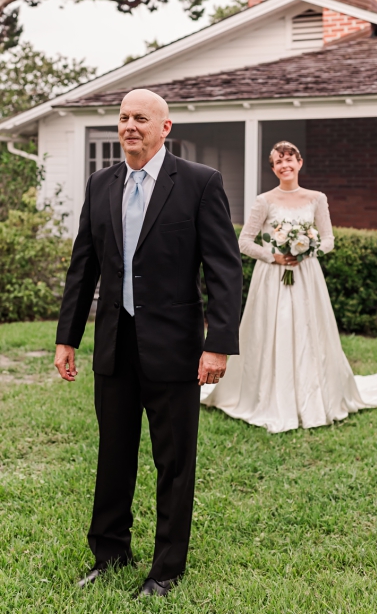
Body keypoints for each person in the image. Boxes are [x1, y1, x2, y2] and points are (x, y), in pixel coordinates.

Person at [54, 89, 243, 598]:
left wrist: (218, 343)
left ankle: (166, 570)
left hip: (176, 347)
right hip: (114, 344)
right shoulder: (100, 184)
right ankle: (110, 553)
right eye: (123, 118)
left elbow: (225, 270)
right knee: (113, 455)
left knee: (174, 462)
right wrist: (66, 338)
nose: (130, 126)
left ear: (166, 127)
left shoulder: (200, 184)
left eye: (141, 118)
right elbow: (83, 266)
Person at [201, 141, 377, 432]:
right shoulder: (264, 201)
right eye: (279, 162)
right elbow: (243, 242)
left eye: (290, 160)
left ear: (300, 163)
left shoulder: (317, 198)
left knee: (309, 331)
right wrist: (275, 256)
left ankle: (312, 395)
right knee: (271, 331)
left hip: (306, 276)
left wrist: (307, 250)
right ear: (273, 168)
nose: (285, 165)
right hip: (272, 278)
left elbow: (329, 240)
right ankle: (269, 396)